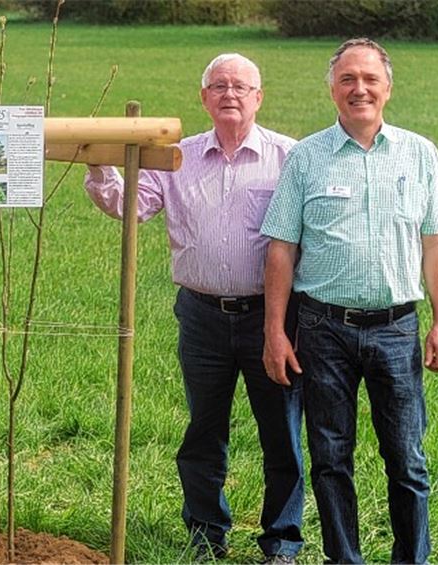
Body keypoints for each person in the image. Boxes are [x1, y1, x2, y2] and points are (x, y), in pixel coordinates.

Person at [85, 54, 304, 563]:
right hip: (201, 316)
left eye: (240, 86)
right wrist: (96, 162)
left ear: (259, 96)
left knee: (282, 431)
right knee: (204, 429)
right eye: (219, 85)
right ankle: (207, 532)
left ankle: (282, 541)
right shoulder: (176, 158)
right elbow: (129, 204)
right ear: (203, 97)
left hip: (270, 318)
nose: (230, 93)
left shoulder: (289, 157)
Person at [261, 38, 438, 564]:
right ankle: (344, 559)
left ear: (388, 88)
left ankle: (410, 559)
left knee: (408, 460)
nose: (359, 88)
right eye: (348, 79)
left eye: (370, 78)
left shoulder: (419, 154)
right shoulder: (306, 157)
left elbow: (436, 244)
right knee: (330, 459)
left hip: (396, 330)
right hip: (323, 329)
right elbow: (281, 249)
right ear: (332, 89)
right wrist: (275, 331)